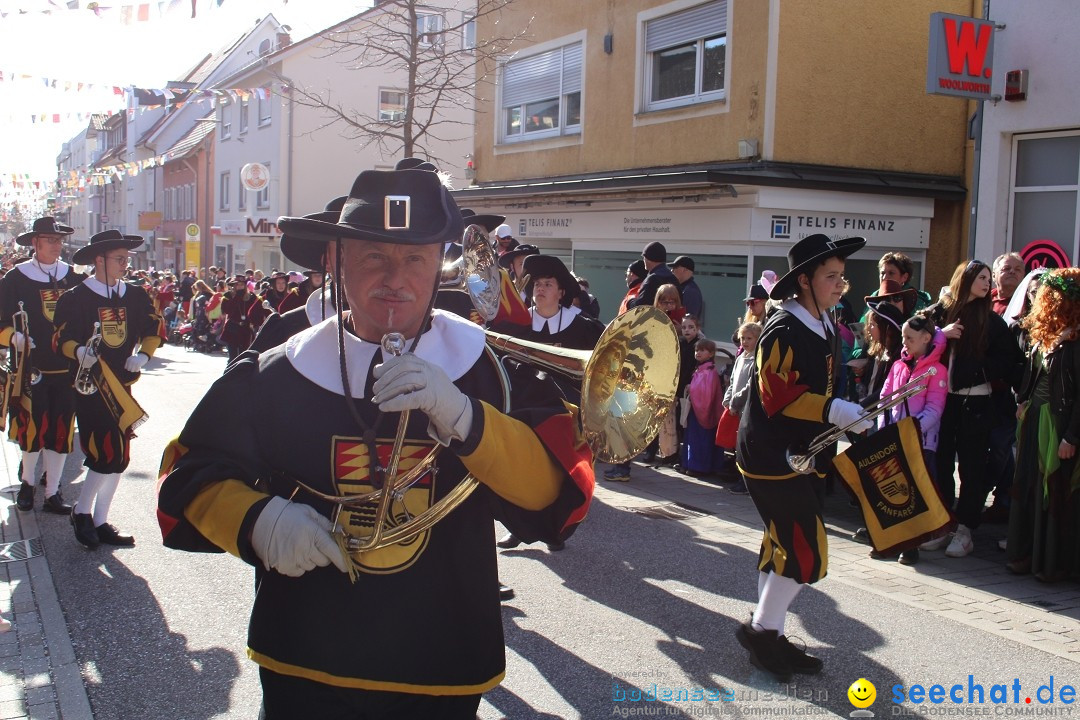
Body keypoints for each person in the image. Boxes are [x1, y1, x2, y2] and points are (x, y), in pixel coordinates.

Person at [156, 167, 594, 717]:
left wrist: (465, 418)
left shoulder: (488, 372)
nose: (396, 277)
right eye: (374, 257)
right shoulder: (280, 369)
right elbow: (189, 474)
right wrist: (258, 523)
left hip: (443, 666)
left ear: (441, 266)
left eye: (415, 257)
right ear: (337, 260)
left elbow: (551, 495)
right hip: (305, 660)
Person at [734, 233, 872, 681]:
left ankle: (768, 633)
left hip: (803, 452)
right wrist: (834, 410)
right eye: (830, 276)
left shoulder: (825, 320)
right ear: (805, 281)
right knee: (804, 550)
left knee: (782, 544)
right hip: (772, 454)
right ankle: (761, 632)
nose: (839, 284)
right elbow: (776, 393)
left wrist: (845, 415)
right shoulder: (782, 326)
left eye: (841, 276)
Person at [53, 230, 163, 548]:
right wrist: (77, 351)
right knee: (106, 451)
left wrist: (143, 354)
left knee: (121, 454)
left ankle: (99, 520)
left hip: (123, 386)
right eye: (119, 259)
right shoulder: (75, 298)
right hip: (91, 386)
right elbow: (60, 337)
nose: (125, 264)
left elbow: (153, 327)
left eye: (126, 259)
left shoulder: (136, 295)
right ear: (99, 260)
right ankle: (83, 512)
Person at [919, 260, 1023, 558]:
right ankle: (943, 523)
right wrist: (941, 334)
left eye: (989, 277)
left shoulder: (991, 321)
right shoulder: (940, 312)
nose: (987, 282)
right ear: (964, 280)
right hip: (941, 400)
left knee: (971, 465)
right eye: (981, 277)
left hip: (976, 401)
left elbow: (1009, 360)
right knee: (940, 462)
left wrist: (980, 370)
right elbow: (914, 338)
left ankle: (965, 529)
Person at [1, 217, 85, 514]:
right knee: (31, 429)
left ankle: (52, 492)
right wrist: (16, 337)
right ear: (35, 243)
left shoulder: (73, 277)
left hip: (66, 369)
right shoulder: (15, 278)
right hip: (30, 368)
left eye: (59, 240)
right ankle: (26, 483)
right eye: (50, 240)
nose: (57, 245)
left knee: (61, 429)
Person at [1006, 268, 1080, 582]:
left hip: (1059, 425)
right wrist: (1023, 401)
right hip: (1036, 419)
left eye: (1052, 294)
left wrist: (1072, 436)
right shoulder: (1047, 335)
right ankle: (1027, 555)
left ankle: (1053, 563)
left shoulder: (1076, 341)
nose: (1044, 298)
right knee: (1029, 487)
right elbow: (1033, 374)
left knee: (1055, 492)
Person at [866, 314, 948, 566]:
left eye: (910, 338)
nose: (905, 342)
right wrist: (883, 427)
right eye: (904, 337)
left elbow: (935, 408)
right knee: (889, 491)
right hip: (893, 437)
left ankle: (911, 545)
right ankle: (887, 541)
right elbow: (885, 397)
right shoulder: (899, 365)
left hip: (919, 442)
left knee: (913, 495)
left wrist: (911, 431)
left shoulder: (937, 371)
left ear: (926, 338)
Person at [983, 252, 1027, 524]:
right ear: (995, 274)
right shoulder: (984, 304)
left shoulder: (1028, 305)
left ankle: (997, 495)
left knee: (1002, 444)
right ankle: (1000, 496)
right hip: (981, 389)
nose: (1012, 273)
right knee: (987, 446)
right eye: (1006, 268)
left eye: (1018, 269)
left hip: (1009, 392)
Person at [718, 321, 762, 494]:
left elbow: (750, 386)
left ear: (758, 339)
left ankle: (747, 481)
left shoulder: (756, 360)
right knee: (736, 446)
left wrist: (735, 401)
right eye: (742, 338)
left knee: (746, 447)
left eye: (749, 338)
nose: (744, 342)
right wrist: (727, 400)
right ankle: (739, 476)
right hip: (735, 408)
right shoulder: (741, 357)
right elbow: (733, 381)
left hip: (746, 409)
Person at [676, 338, 725, 477]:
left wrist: (691, 388)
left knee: (701, 439)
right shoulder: (701, 369)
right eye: (697, 350)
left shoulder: (709, 371)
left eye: (702, 350)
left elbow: (706, 393)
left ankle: (699, 467)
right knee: (692, 438)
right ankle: (690, 463)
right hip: (696, 410)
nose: (698, 353)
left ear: (710, 354)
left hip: (703, 411)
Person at [219, 274, 268, 363]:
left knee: (244, 355)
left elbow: (255, 311)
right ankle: (230, 375)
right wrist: (237, 297)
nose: (240, 287)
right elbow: (227, 311)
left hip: (245, 329)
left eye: (242, 284)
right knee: (232, 357)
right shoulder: (228, 296)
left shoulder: (251, 296)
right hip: (232, 327)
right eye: (237, 284)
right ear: (233, 286)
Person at [628, 242, 677, 309]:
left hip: (654, 318)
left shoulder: (652, 279)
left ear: (648, 259)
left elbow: (641, 307)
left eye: (644, 257)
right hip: (671, 319)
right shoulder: (673, 278)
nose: (644, 260)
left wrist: (631, 301)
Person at [669, 255, 703, 322]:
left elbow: (690, 322)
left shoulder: (691, 291)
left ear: (684, 269)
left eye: (675, 267)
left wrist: (680, 328)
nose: (671, 270)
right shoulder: (682, 288)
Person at [991, 252, 1026, 316]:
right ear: (993, 275)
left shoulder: (1027, 302)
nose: (1012, 271)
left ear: (1023, 276)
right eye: (1006, 268)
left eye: (1017, 269)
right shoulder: (983, 299)